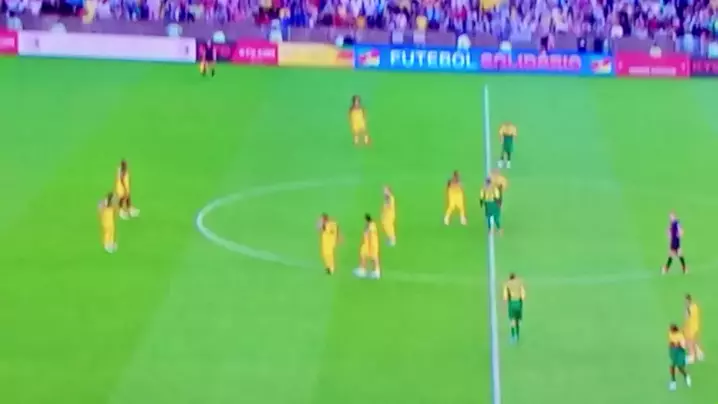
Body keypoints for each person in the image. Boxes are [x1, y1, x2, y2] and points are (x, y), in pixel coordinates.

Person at [355, 214, 380, 279]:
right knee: (364, 255)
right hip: (368, 244)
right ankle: (362, 269)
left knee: (373, 257)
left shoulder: (371, 225)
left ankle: (376, 272)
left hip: (372, 244)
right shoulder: (370, 224)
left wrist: (366, 230)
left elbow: (367, 232)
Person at [668, 323, 692, 391]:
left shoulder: (680, 336)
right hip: (673, 352)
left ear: (674, 330)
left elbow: (683, 346)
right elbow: (670, 343)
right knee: (672, 366)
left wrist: (678, 344)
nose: (669, 330)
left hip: (680, 352)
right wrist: (673, 345)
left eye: (671, 329)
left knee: (680, 367)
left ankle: (686, 376)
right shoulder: (670, 333)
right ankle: (673, 381)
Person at [503, 273, 525, 343]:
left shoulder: (507, 284)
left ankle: (513, 336)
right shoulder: (520, 283)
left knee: (512, 321)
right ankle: (518, 336)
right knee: (517, 320)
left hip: (512, 303)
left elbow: (505, 297)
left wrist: (506, 299)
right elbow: (523, 295)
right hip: (518, 303)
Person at [684, 294, 704, 363]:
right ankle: (700, 354)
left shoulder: (688, 309)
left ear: (688, 301)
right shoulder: (695, 306)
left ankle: (692, 357)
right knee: (696, 340)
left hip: (691, 329)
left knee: (690, 342)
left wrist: (686, 309)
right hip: (696, 327)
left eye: (685, 301)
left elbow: (686, 317)